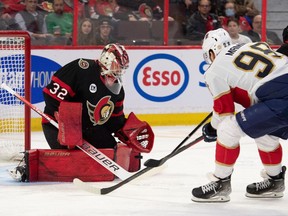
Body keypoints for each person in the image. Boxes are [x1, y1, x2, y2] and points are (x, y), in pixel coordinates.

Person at [191, 28, 287, 202]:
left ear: (211, 52)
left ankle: (220, 183)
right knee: (265, 130)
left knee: (227, 130)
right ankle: (275, 181)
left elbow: (224, 114)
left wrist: (212, 128)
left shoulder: (214, 70)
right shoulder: (251, 45)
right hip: (279, 96)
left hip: (282, 99)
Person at [41, 43, 154, 171]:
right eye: (117, 67)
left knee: (113, 151)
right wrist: (61, 117)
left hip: (89, 128)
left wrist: (126, 131)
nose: (119, 72)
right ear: (106, 61)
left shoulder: (118, 91)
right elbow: (51, 94)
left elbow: (114, 121)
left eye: (121, 68)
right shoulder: (82, 68)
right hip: (59, 126)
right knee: (73, 162)